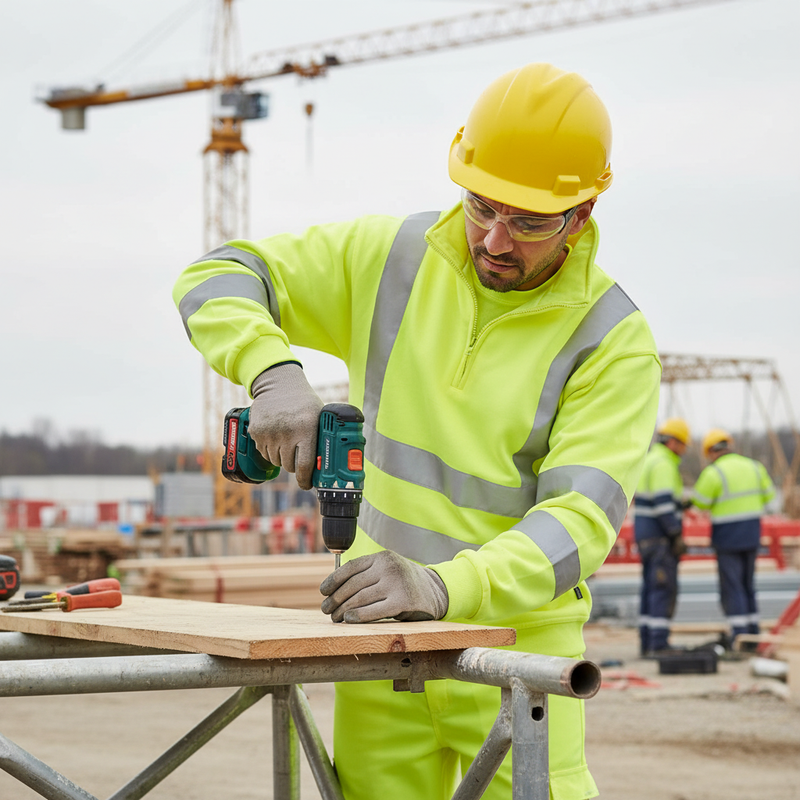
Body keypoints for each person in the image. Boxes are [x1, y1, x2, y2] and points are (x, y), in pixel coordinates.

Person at [173, 62, 661, 800]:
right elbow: (218, 274)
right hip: (382, 648)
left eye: (528, 222)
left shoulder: (610, 339)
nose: (495, 240)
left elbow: (578, 525)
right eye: (481, 206)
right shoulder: (394, 259)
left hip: (514, 657)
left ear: (582, 213)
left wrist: (443, 586)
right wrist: (271, 370)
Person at [692, 429, 776, 648]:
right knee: (748, 585)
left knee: (733, 586)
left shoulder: (714, 472)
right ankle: (753, 634)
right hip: (751, 534)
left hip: (727, 537)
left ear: (710, 452)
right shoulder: (755, 467)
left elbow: (700, 502)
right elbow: (770, 497)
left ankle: (739, 635)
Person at [632, 418, 691, 656]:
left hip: (646, 536)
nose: (684, 450)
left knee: (650, 588)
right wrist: (675, 533)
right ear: (674, 443)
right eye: (684, 444)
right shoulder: (664, 464)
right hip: (660, 538)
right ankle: (659, 644)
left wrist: (680, 504)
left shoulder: (649, 460)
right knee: (662, 588)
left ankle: (647, 642)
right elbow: (663, 505)